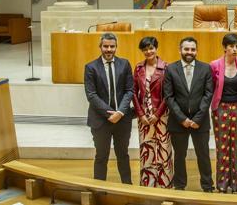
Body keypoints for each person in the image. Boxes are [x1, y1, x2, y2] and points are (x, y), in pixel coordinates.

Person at [163, 37, 214, 192]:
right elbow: (169, 97)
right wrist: (182, 118)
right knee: (179, 156)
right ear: (180, 50)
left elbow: (208, 94)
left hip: (201, 121)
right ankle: (179, 185)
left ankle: (207, 186)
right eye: (186, 49)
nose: (189, 52)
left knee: (203, 155)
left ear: (196, 51)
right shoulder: (171, 69)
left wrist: (197, 118)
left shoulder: (205, 68)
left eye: (192, 49)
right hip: (178, 122)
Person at [84, 32, 134, 184]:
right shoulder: (91, 67)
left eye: (112, 46)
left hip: (122, 120)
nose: (109, 49)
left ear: (116, 47)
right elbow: (91, 95)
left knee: (123, 155)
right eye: (105, 46)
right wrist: (109, 113)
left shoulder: (124, 64)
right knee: (101, 156)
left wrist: (119, 112)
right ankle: (99, 189)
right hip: (100, 120)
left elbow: (129, 90)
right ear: (100, 47)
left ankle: (128, 187)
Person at [132, 36, 173, 188]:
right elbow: (133, 93)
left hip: (161, 116)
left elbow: (168, 95)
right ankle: (147, 183)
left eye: (151, 48)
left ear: (156, 48)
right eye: (145, 49)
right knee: (147, 149)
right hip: (144, 117)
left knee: (163, 148)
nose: (148, 51)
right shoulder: (138, 68)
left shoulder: (167, 68)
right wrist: (140, 114)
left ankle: (164, 183)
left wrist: (157, 114)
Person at [209, 33, 237, 193]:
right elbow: (210, 88)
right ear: (224, 47)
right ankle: (223, 183)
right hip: (221, 108)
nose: (234, 49)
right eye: (231, 46)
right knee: (222, 146)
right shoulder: (215, 65)